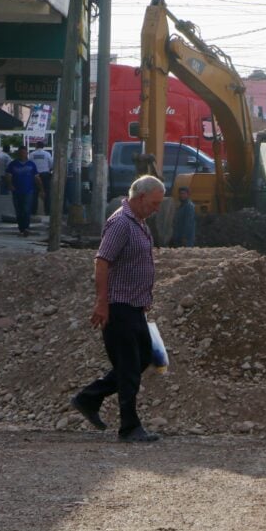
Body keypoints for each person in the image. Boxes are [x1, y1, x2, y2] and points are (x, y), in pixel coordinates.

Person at [71, 175, 166, 443]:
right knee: (128, 368)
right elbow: (102, 262)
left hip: (135, 307)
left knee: (143, 358)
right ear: (140, 197)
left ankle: (88, 398)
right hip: (118, 306)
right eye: (155, 203)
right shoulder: (121, 223)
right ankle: (129, 427)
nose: (157, 209)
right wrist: (102, 302)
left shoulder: (139, 224)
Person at [4, 147, 43, 237]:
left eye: (24, 152)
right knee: (19, 210)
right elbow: (8, 176)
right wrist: (10, 185)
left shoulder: (31, 164)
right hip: (16, 191)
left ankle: (26, 228)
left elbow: (37, 177)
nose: (22, 154)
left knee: (26, 209)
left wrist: (41, 189)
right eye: (21, 152)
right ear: (18, 153)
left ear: (27, 153)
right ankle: (21, 228)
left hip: (28, 190)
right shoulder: (12, 164)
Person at [28, 142, 53, 215]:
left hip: (35, 175)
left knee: (34, 194)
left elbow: (30, 164)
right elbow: (51, 164)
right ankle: (47, 211)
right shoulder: (47, 154)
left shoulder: (32, 154)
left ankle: (33, 211)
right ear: (43, 146)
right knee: (47, 193)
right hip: (45, 175)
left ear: (36, 146)